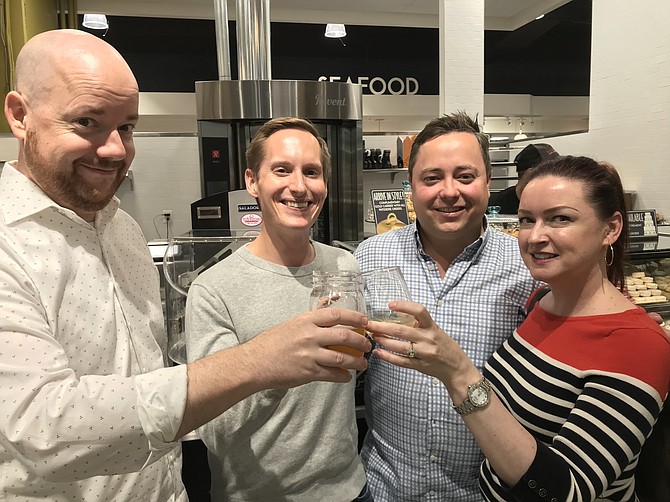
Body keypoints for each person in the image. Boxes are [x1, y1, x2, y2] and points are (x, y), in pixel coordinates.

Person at [0, 30, 370, 501]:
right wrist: (263, 360)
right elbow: (40, 427)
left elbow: (146, 376)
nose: (116, 149)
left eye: (128, 127)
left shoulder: (123, 232)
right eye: (87, 121)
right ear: (19, 115)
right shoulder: (9, 245)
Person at [366, 155, 670, 501]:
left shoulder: (637, 344)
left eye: (560, 219)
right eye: (527, 220)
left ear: (610, 229)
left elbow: (563, 492)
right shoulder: (539, 303)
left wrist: (458, 372)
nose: (536, 236)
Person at [354, 111, 542, 501]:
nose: (449, 191)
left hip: (483, 493)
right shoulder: (370, 257)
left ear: (489, 183)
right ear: (411, 187)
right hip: (386, 487)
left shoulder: (527, 268)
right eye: (432, 178)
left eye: (465, 176)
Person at [184, 117, 371, 501]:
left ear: (325, 185)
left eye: (312, 172)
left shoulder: (344, 268)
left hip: (349, 489)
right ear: (253, 181)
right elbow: (216, 433)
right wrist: (278, 362)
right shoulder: (213, 289)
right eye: (282, 170)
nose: (299, 187)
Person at [488, 143, 559, 214]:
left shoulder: (556, 204)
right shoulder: (491, 205)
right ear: (531, 173)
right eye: (551, 170)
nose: (558, 175)